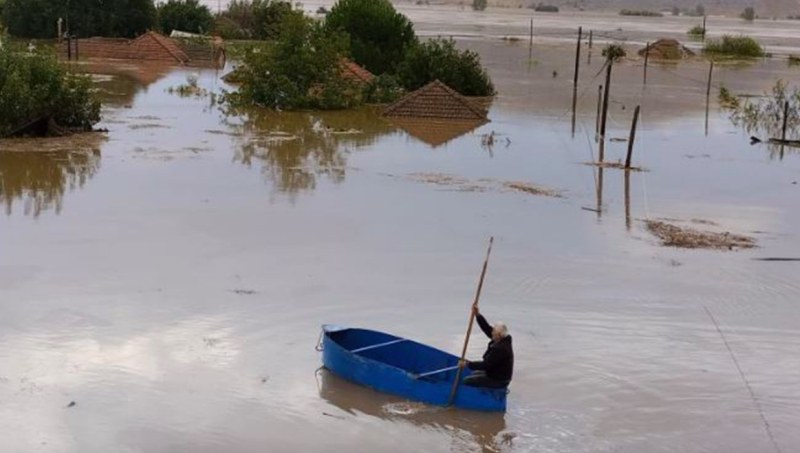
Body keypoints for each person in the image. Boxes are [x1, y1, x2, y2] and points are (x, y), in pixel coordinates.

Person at [462, 306, 513, 388]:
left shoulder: (500, 349)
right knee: (474, 373)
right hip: (495, 373)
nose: (491, 333)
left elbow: (485, 365)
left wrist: (467, 364)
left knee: (467, 381)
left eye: (493, 332)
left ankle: (475, 398)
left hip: (499, 380)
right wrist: (477, 315)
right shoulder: (502, 339)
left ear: (498, 335)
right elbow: (487, 328)